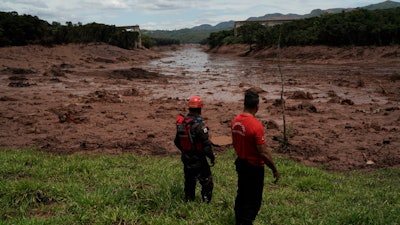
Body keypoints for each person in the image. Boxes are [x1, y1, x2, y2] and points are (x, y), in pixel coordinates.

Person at [231, 88, 280, 225]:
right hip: (254, 167)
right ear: (257, 107)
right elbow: (263, 152)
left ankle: (239, 220)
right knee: (253, 199)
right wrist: (274, 168)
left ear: (244, 104)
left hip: (241, 162)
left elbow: (235, 143)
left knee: (242, 194)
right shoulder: (256, 126)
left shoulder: (235, 121)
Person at [174, 95, 215, 203]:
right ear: (200, 108)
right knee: (207, 180)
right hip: (198, 158)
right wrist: (211, 157)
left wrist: (185, 151)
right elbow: (206, 146)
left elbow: (176, 141)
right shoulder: (199, 126)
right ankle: (206, 202)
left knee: (189, 180)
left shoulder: (182, 123)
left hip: (186, 157)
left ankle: (188, 200)